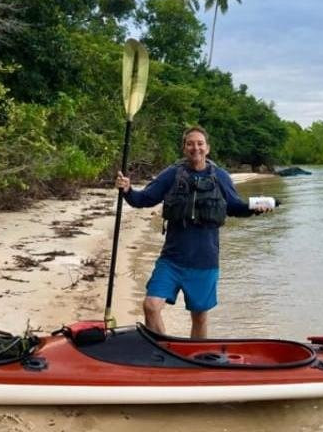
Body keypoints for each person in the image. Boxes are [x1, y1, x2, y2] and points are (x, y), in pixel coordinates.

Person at [115, 126, 272, 339]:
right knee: (151, 306)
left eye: (200, 143)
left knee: (199, 318)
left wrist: (255, 208)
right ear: (184, 148)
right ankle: (165, 352)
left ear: (207, 148)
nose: (195, 148)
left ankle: (195, 360)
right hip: (172, 259)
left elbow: (235, 207)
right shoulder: (172, 174)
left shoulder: (221, 177)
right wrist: (127, 190)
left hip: (204, 261)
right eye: (190, 143)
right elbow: (144, 199)